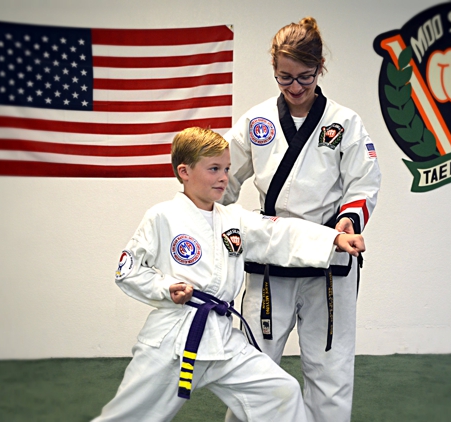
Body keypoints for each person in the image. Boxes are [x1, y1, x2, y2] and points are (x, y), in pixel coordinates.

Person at [91, 127, 366, 422]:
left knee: (281, 392)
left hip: (222, 339)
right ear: (184, 171)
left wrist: (332, 240)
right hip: (175, 339)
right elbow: (128, 269)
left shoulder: (233, 219)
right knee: (129, 416)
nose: (224, 177)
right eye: (213, 169)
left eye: (226, 169)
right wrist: (165, 287)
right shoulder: (162, 216)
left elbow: (278, 232)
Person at [221, 17, 381, 422]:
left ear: (320, 67)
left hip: (330, 253)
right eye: (284, 78)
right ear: (274, 71)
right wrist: (207, 222)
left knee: (330, 367)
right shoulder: (256, 121)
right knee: (253, 366)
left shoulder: (345, 123)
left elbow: (364, 182)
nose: (294, 88)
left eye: (305, 78)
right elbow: (223, 181)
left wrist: (350, 219)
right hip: (270, 256)